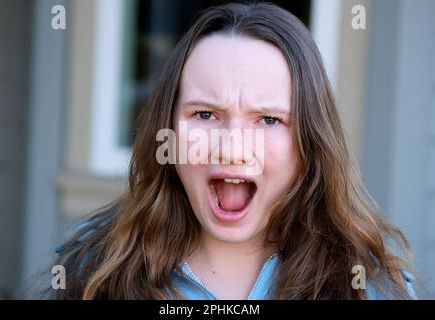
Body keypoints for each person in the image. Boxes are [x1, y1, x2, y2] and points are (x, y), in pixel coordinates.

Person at [50, 2, 416, 300]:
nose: (232, 149)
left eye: (269, 120)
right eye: (205, 114)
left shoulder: (367, 288)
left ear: (311, 143)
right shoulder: (93, 272)